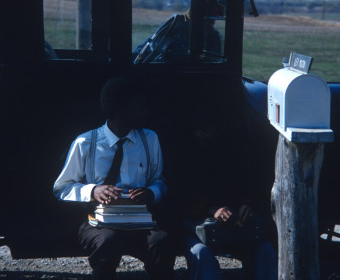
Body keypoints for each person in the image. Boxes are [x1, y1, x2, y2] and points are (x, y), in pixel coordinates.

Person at [53, 77, 175, 280]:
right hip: (98, 221)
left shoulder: (149, 139)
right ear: (120, 111)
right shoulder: (85, 142)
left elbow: (158, 180)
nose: (146, 113)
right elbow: (61, 188)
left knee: (160, 241)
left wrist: (151, 193)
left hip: (140, 221)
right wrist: (93, 191)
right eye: (139, 108)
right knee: (108, 241)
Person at [167, 100, 278, 280]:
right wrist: (210, 209)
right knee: (202, 254)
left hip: (236, 227)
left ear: (219, 128)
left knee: (265, 251)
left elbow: (251, 185)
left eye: (205, 130)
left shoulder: (236, 153)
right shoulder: (185, 156)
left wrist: (246, 205)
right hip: (195, 227)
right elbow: (179, 193)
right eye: (195, 130)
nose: (199, 135)